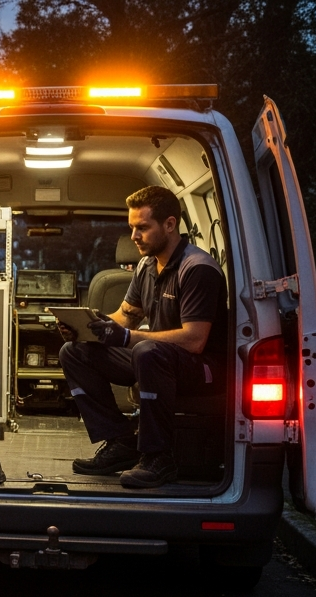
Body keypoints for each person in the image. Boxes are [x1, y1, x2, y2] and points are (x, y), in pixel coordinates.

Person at [59, 185, 228, 488]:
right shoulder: (146, 265)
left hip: (202, 368)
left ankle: (158, 457)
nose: (134, 236)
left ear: (170, 224)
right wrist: (86, 326)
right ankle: (121, 441)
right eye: (132, 228)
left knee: (147, 351)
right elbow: (125, 316)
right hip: (156, 357)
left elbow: (194, 340)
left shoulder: (198, 269)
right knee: (74, 351)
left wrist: (125, 337)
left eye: (142, 227)